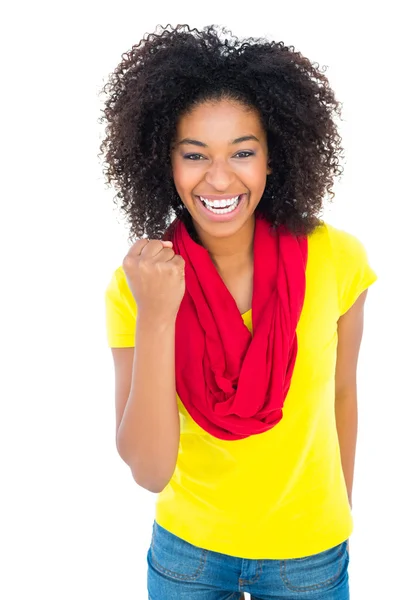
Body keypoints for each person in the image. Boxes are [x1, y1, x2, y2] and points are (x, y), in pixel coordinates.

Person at [100, 24, 378, 600]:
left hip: (309, 555)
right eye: (195, 154)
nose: (220, 178)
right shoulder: (138, 284)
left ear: (274, 157)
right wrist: (156, 315)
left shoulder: (337, 258)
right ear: (165, 164)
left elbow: (343, 395)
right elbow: (149, 469)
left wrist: (332, 518)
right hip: (188, 554)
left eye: (243, 153)